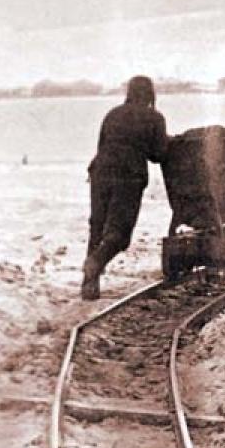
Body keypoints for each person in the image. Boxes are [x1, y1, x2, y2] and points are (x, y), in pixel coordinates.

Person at [81, 76, 168, 300]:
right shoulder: (154, 117)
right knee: (120, 234)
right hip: (129, 175)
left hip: (100, 171)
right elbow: (158, 155)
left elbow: (102, 145)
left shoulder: (113, 114)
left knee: (97, 226)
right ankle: (96, 262)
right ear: (150, 94)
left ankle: (89, 286)